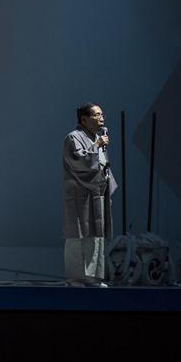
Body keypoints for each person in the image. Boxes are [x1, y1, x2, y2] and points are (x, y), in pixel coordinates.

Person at [63, 102, 117, 287]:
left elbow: (101, 165)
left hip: (97, 194)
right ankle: (75, 278)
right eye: (96, 115)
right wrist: (96, 145)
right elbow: (79, 162)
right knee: (78, 236)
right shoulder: (73, 138)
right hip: (81, 195)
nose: (101, 117)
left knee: (96, 236)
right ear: (84, 119)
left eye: (102, 114)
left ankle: (93, 277)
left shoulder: (96, 138)